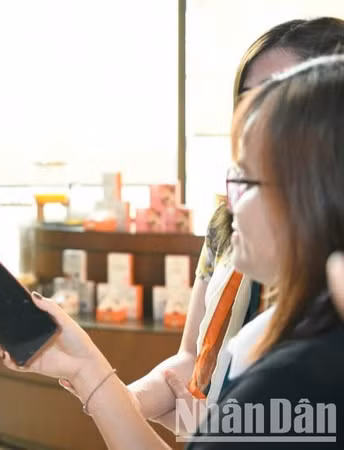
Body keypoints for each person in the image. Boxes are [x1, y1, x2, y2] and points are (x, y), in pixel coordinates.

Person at [0, 54, 344, 449]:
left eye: (246, 176)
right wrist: (87, 369)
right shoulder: (290, 355)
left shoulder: (295, 380)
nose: (230, 200)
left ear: (311, 193)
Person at [127, 17, 344, 429]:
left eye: (279, 95)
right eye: (248, 99)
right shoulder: (229, 223)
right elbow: (192, 356)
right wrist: (121, 401)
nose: (258, 115)